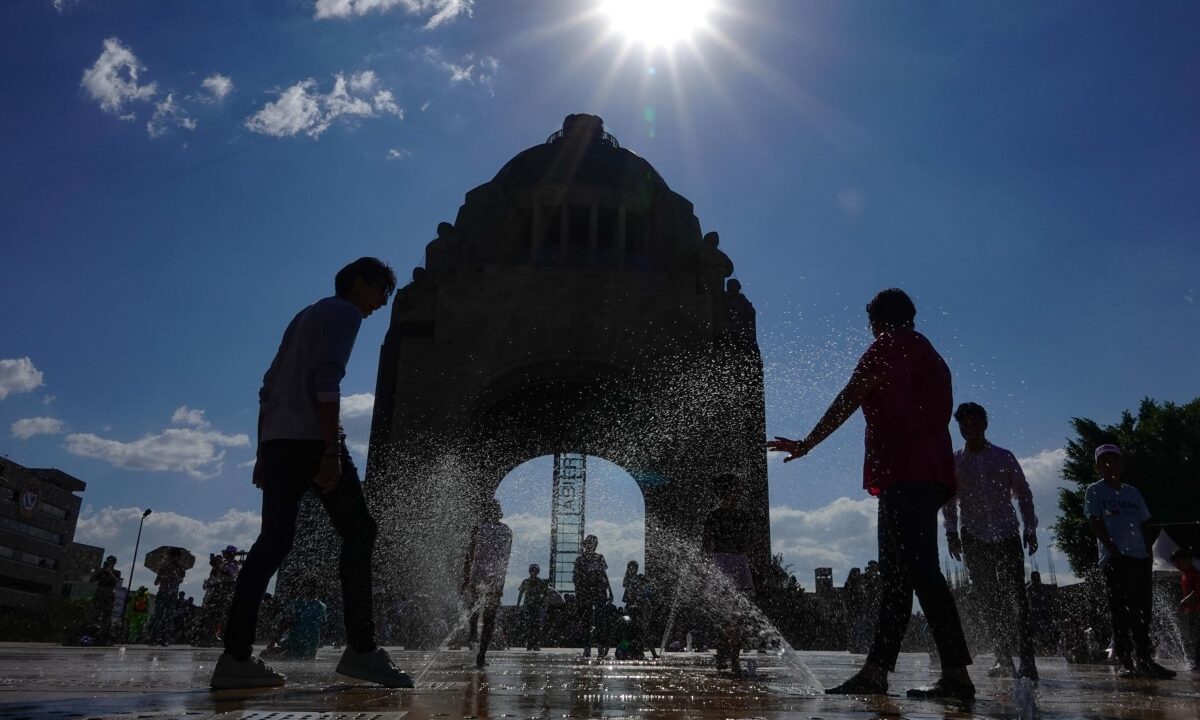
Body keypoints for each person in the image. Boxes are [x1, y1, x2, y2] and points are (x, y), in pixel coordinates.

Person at [211, 257, 411, 690]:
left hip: (279, 442)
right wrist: (329, 451)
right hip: (311, 441)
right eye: (381, 292)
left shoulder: (306, 314)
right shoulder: (344, 313)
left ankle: (235, 658)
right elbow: (327, 381)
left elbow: (269, 385)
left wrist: (263, 452)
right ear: (360, 284)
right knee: (359, 531)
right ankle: (362, 650)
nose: (381, 304)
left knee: (272, 543)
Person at [767, 288, 975, 700]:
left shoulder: (887, 346)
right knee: (900, 578)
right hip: (930, 474)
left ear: (878, 321)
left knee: (920, 574)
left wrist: (808, 442)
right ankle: (877, 671)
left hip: (904, 474)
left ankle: (955, 675)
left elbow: (851, 395)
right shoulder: (931, 355)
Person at [942, 402, 1040, 680]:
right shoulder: (956, 461)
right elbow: (949, 500)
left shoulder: (1003, 457)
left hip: (1006, 531)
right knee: (988, 599)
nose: (969, 429)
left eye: (974, 423)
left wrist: (1030, 527)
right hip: (973, 534)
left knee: (1017, 596)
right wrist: (951, 533)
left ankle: (1028, 660)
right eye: (963, 425)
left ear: (985, 424)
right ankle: (1003, 657)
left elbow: (1023, 492)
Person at [1085, 444, 1175, 679]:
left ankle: (1145, 658)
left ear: (1122, 464)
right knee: (1120, 611)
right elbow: (1095, 521)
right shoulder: (1095, 491)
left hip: (1140, 558)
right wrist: (1110, 546)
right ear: (1098, 466)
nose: (1109, 465)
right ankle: (1126, 661)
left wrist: (1148, 551)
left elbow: (1145, 523)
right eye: (1104, 461)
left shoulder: (1133, 493)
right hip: (1115, 559)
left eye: (1114, 460)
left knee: (1143, 611)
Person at [703, 473, 755, 676]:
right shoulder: (714, 516)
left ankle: (733, 658)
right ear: (724, 492)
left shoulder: (742, 516)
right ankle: (724, 654)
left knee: (738, 616)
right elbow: (706, 545)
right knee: (724, 616)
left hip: (738, 562)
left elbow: (749, 542)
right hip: (723, 564)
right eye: (734, 489)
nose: (738, 493)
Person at [461, 498, 512, 669]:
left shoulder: (478, 528)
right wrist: (502, 582)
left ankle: (473, 632)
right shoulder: (507, 531)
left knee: (475, 605)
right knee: (490, 618)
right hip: (496, 578)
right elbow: (505, 559)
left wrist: (465, 578)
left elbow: (469, 555)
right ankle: (481, 655)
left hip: (478, 575)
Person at [573, 535, 612, 658]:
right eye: (589, 544)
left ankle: (600, 646)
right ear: (586, 545)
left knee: (600, 621)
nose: (591, 546)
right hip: (585, 594)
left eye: (593, 544)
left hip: (599, 592)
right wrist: (578, 594)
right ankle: (587, 647)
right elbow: (576, 579)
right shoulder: (580, 560)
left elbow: (604, 575)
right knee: (586, 621)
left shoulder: (599, 558)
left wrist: (610, 590)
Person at [1168, 547, 1200, 672]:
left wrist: (1184, 601)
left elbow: (1198, 590)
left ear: (1189, 560)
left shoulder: (1194, 573)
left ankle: (1198, 663)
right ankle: (1195, 662)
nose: (1177, 565)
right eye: (1176, 563)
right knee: (1192, 637)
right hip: (1192, 610)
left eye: (1179, 562)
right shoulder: (1185, 575)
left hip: (1197, 610)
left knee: (1197, 636)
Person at [148, 548, 187, 646]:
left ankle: (165, 638)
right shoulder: (163, 567)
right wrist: (162, 575)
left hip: (172, 595)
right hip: (162, 593)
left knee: (169, 617)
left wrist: (175, 573)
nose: (173, 558)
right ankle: (154, 638)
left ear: (178, 557)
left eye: (175, 556)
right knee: (158, 616)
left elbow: (181, 580)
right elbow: (156, 582)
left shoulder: (180, 568)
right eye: (171, 556)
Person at [622, 560, 656, 659]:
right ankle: (625, 650)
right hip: (631, 608)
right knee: (628, 632)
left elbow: (649, 584)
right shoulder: (628, 579)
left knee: (643, 630)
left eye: (634, 568)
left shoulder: (640, 577)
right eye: (630, 568)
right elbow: (625, 584)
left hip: (639, 608)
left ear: (637, 569)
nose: (632, 570)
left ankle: (652, 652)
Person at [517, 563, 549, 651]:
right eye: (532, 571)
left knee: (536, 626)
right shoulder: (525, 581)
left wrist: (542, 601)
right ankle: (529, 644)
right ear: (530, 571)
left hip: (537, 606)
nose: (534, 573)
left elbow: (546, 594)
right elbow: (521, 593)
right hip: (528, 606)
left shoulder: (540, 582)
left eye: (536, 571)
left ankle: (535, 644)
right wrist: (518, 604)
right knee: (529, 625)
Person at [89, 555, 120, 644]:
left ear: (114, 563)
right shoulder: (102, 571)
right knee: (95, 612)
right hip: (99, 592)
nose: (110, 564)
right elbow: (92, 579)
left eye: (112, 562)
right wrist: (100, 571)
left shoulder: (116, 572)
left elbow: (115, 581)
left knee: (107, 614)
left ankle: (104, 634)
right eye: (109, 562)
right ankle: (94, 631)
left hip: (109, 593)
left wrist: (109, 572)